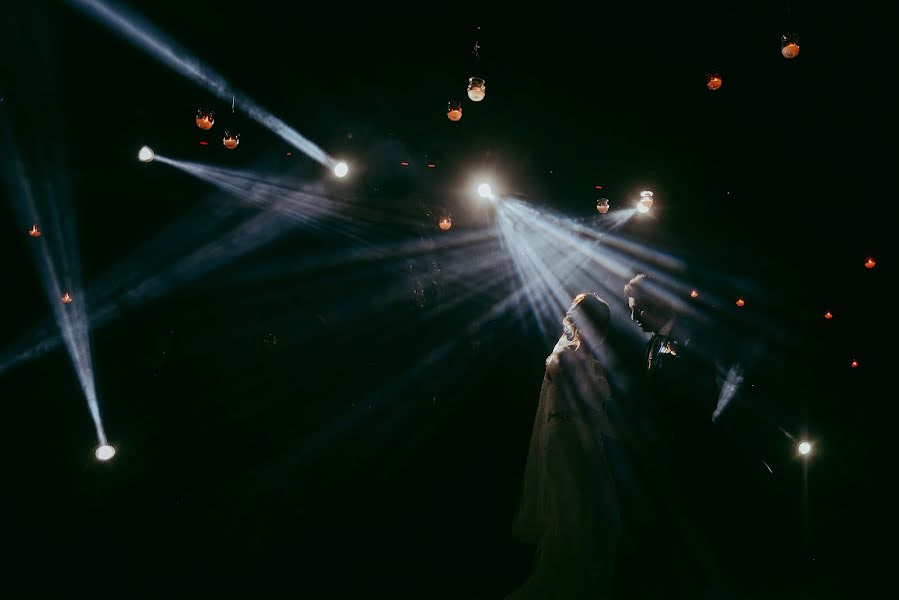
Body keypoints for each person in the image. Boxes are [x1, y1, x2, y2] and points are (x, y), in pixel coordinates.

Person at [508, 293, 620, 599]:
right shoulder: (565, 355)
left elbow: (594, 413)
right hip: (565, 443)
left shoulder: (585, 358)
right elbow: (575, 400)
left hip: (585, 442)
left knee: (593, 521)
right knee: (569, 524)